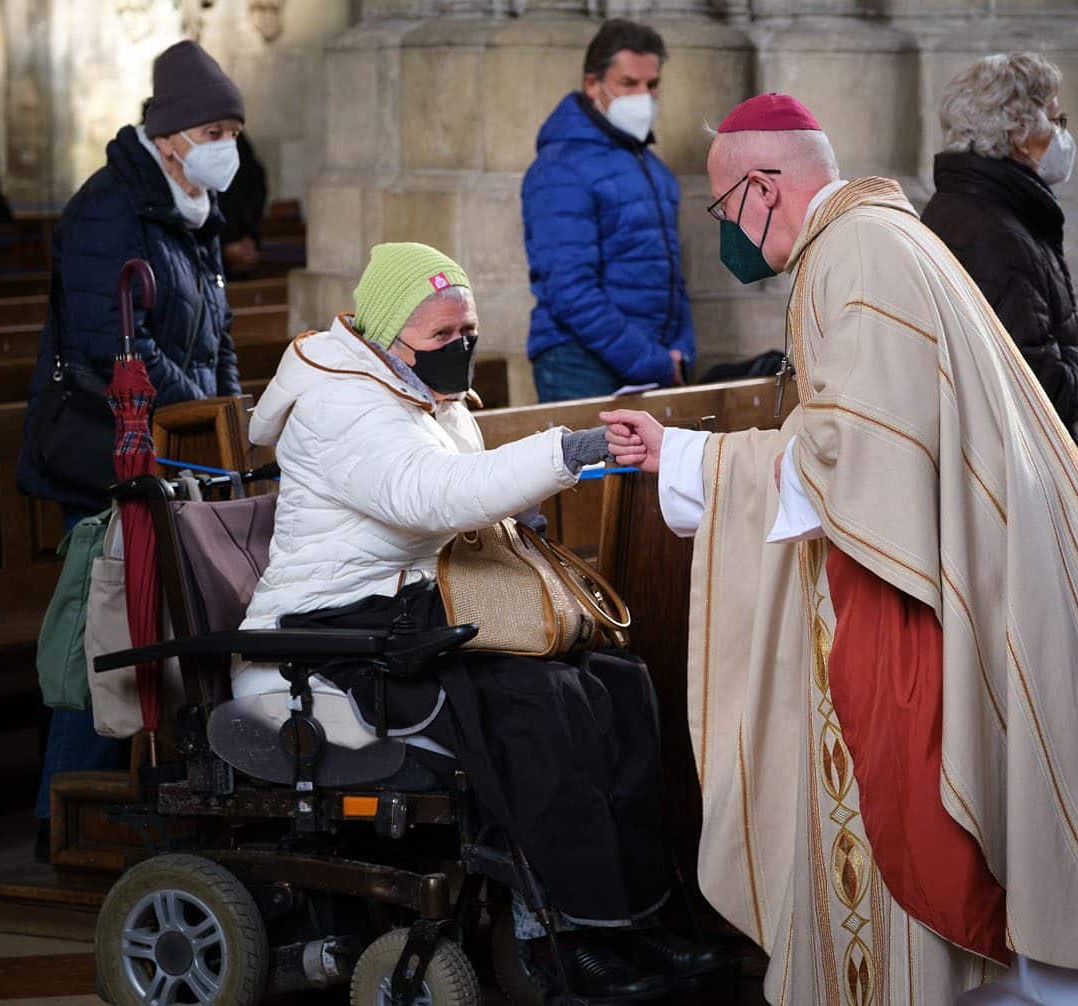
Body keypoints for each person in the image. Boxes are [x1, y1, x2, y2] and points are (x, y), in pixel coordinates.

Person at [601, 93, 1078, 1004]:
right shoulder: (877, 241)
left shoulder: (856, 253)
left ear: (762, 184)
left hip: (944, 595)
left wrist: (692, 457)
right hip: (980, 572)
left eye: (721, 207)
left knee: (975, 850)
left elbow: (854, 458)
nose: (726, 232)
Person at [237, 242, 719, 1001]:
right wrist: (571, 451)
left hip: (415, 611)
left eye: (468, 331)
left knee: (614, 681)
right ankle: (561, 934)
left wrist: (516, 503)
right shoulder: (337, 401)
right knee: (537, 703)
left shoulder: (421, 390)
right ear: (388, 333)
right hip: (332, 627)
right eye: (442, 336)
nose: (460, 348)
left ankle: (633, 918)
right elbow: (430, 495)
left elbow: (462, 497)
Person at [19, 39, 246, 853]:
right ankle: (63, 818)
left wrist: (233, 420)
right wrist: (200, 416)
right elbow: (107, 344)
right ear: (176, 133)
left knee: (155, 626)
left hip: (172, 452)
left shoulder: (192, 212)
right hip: (101, 452)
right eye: (216, 128)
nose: (229, 145)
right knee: (103, 627)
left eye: (234, 129)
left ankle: (151, 802)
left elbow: (215, 334)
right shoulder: (110, 208)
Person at [920, 53, 1078, 498]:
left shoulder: (970, 210)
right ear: (1018, 133)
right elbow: (1034, 388)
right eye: (1055, 119)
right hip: (1019, 486)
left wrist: (1074, 354)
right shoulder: (995, 234)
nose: (1061, 135)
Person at [522, 19, 695, 402]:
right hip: (580, 364)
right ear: (592, 85)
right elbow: (569, 289)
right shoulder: (561, 169)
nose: (644, 97)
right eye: (629, 84)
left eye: (652, 85)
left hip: (652, 362)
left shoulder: (654, 169)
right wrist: (654, 360)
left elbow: (671, 275)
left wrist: (682, 348)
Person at [216, 132, 268, 277]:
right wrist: (223, 247)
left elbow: (255, 190)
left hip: (240, 247)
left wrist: (249, 237)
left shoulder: (238, 142)